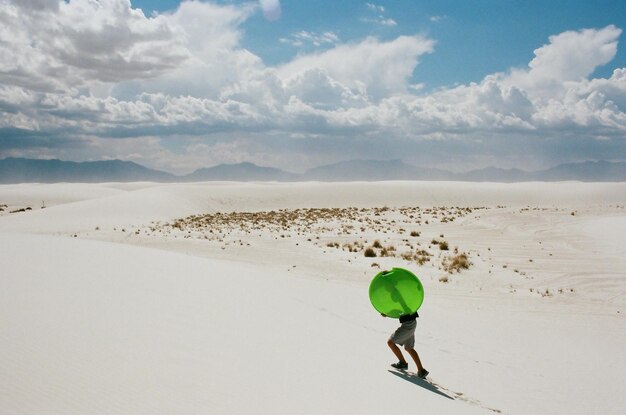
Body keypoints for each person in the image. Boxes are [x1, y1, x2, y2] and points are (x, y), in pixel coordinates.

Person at [383, 310, 429, 378]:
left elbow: (398, 309)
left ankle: (403, 363)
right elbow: (399, 310)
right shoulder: (406, 301)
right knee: (409, 348)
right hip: (412, 322)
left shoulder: (402, 300)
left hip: (408, 324)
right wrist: (387, 314)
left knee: (390, 342)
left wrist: (387, 313)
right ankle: (421, 370)